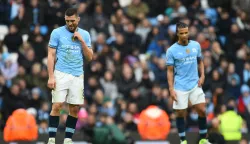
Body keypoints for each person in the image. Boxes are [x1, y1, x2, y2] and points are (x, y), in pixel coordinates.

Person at [46, 7, 93, 144]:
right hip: (60, 73)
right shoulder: (57, 32)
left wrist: (82, 42)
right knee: (57, 105)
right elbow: (51, 55)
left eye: (72, 20)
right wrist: (51, 76)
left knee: (74, 108)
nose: (70, 23)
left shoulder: (85, 34)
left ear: (78, 19)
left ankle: (67, 140)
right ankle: (51, 139)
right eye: (67, 21)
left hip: (77, 75)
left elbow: (90, 57)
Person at [166, 22, 211, 144]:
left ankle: (203, 139)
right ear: (177, 34)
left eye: (186, 32)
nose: (184, 35)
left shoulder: (196, 45)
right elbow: (170, 71)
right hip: (180, 86)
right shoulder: (171, 50)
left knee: (202, 110)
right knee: (180, 113)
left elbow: (200, 61)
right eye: (182, 33)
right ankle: (183, 140)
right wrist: (171, 89)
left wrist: (202, 76)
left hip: (195, 84)